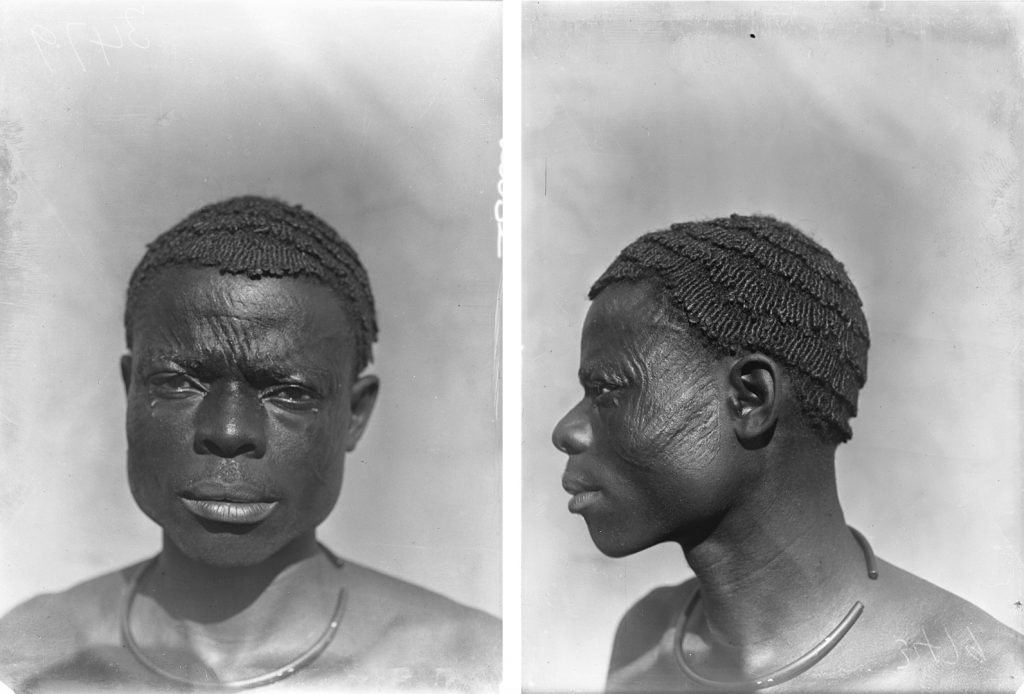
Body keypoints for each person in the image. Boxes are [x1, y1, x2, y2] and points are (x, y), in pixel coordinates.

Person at [0, 196, 500, 692]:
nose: (230, 432)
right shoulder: (26, 659)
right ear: (130, 389)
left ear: (354, 413)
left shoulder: (472, 667)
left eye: (290, 393)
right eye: (179, 383)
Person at [551, 214, 1023, 692]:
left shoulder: (981, 677)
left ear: (751, 398)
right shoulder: (644, 642)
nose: (566, 431)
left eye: (606, 390)